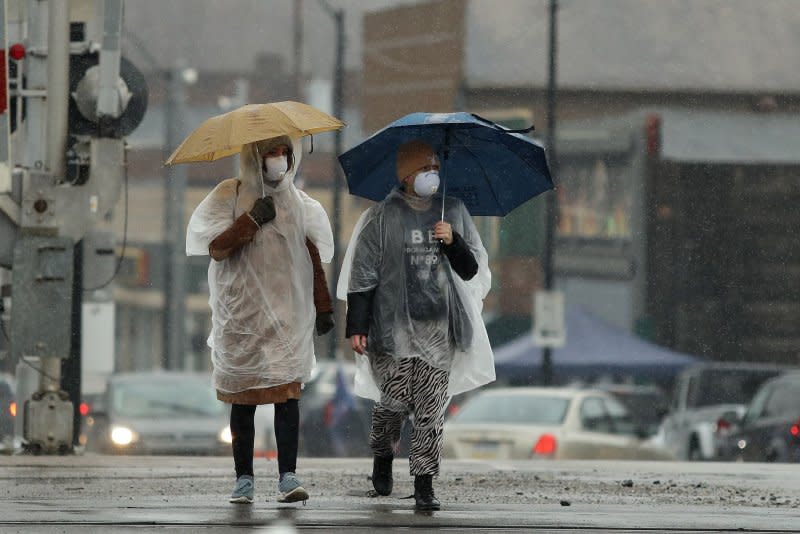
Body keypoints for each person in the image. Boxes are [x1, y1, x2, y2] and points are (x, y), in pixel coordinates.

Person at [338, 140, 494, 511]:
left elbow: (471, 269)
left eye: (436, 169)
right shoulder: (382, 217)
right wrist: (357, 325)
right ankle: (383, 453)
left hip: (439, 328)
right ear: (406, 175)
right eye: (425, 170)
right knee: (392, 404)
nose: (432, 176)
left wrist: (452, 241)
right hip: (390, 330)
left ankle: (424, 483)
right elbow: (362, 275)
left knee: (430, 409)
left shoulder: (452, 212)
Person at [186, 135, 334, 505]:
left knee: (288, 395)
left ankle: (288, 475)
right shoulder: (228, 195)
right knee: (244, 398)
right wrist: (251, 219)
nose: (279, 160)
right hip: (243, 316)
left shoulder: (300, 205)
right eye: (271, 153)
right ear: (254, 156)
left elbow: (313, 256)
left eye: (284, 152)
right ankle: (244, 478)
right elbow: (217, 247)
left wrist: (324, 305)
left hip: (287, 316)